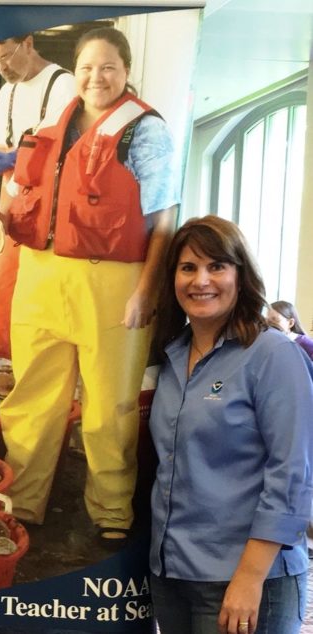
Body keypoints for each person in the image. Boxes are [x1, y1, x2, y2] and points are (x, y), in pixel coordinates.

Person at [0, 26, 179, 542]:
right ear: (76, 71)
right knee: (32, 397)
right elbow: (24, 186)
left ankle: (111, 511)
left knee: (109, 405)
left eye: (109, 67)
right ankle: (22, 501)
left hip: (112, 282)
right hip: (40, 276)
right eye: (88, 67)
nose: (97, 77)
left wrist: (146, 293)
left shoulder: (147, 131)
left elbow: (164, 219)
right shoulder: (53, 121)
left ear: (127, 71)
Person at [149, 215, 312, 634]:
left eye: (216, 266)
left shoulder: (271, 355)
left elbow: (293, 473)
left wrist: (250, 578)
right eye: (188, 268)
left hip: (246, 580)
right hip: (172, 574)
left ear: (241, 275)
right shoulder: (169, 357)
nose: (200, 280)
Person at [0, 32, 76, 359]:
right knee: (4, 296)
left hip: (50, 213)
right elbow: (3, 146)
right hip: (11, 206)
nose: (1, 67)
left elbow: (66, 149)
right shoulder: (7, 92)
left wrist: (16, 157)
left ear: (28, 43)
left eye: (6, 56)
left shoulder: (64, 84)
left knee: (40, 304)